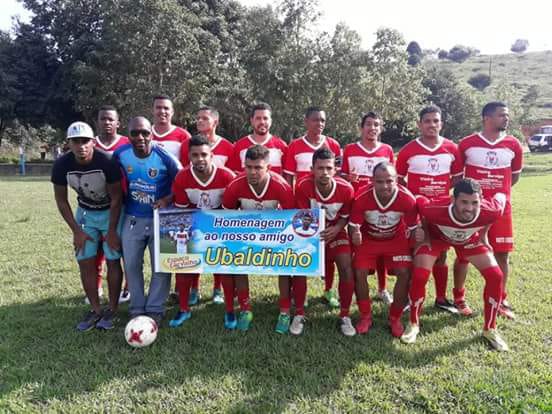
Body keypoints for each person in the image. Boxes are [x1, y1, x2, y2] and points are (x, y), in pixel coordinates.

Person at [402, 179, 509, 351]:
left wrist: (484, 235)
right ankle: (413, 323)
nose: (469, 208)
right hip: (437, 239)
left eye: (475, 202)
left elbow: (501, 197)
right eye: (464, 202)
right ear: (453, 200)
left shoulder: (491, 210)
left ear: (481, 199)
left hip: (469, 241)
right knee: (420, 274)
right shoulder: (435, 209)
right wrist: (424, 233)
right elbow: (418, 200)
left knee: (496, 276)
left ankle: (490, 329)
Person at [51, 121, 124, 331]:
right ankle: (95, 309)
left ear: (93, 142)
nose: (81, 146)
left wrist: (111, 232)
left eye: (85, 141)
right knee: (85, 259)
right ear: (69, 144)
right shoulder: (61, 165)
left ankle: (112, 308)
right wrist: (76, 231)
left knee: (112, 259)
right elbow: (61, 201)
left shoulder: (106, 161)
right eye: (76, 142)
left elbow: (117, 198)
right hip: (85, 213)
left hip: (110, 212)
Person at [455, 102, 524, 319]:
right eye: (502, 115)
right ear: (487, 117)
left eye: (507, 115)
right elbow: (457, 178)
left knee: (502, 254)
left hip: (501, 210)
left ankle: (501, 298)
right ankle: (459, 297)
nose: (506, 118)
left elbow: (514, 177)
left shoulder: (514, 144)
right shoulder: (467, 144)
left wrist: (498, 195)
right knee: (464, 255)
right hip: (471, 210)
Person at [113, 116, 181, 327]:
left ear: (151, 134)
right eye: (135, 133)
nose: (140, 137)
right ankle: (137, 308)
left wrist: (167, 199)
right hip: (132, 218)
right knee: (132, 265)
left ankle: (155, 309)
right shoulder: (120, 155)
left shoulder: (163, 155)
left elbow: (182, 181)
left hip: (162, 219)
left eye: (145, 133)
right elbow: (113, 182)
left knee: (161, 266)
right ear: (128, 135)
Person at [396, 105, 463, 313]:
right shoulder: (408, 150)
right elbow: (398, 181)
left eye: (436, 121)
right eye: (427, 121)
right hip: (416, 211)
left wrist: (440, 195)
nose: (432, 125)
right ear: (419, 124)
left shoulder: (452, 149)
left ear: (441, 124)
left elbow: (458, 179)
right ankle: (411, 297)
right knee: (417, 253)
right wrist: (416, 196)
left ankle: (441, 298)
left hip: (443, 211)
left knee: (442, 255)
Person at [222, 145, 295, 331]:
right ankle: (245, 308)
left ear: (268, 168)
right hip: (245, 233)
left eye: (258, 168)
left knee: (285, 263)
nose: (252, 172)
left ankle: (285, 311)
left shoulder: (282, 186)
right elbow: (225, 217)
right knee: (236, 261)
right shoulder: (235, 185)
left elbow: (291, 220)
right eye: (248, 167)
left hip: (275, 233)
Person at [169, 135, 236, 327]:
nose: (200, 159)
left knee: (224, 264)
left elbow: (232, 209)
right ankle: (183, 309)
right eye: (195, 155)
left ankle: (229, 309)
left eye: (204, 154)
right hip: (194, 223)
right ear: (189, 156)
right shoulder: (182, 177)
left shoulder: (226, 176)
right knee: (183, 263)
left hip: (220, 224)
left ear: (212, 155)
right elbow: (183, 210)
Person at [349, 161, 418, 337]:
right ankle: (365, 316)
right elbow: (353, 225)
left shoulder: (407, 199)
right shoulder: (361, 197)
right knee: (359, 271)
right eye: (380, 181)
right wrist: (354, 234)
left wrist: (415, 245)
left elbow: (412, 229)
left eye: (389, 181)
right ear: (372, 181)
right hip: (369, 239)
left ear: (397, 180)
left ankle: (394, 318)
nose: (385, 185)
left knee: (404, 272)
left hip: (396, 239)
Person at [295, 148, 356, 336]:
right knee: (299, 266)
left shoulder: (346, 189)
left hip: (335, 232)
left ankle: (345, 315)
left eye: (329, 168)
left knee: (346, 266)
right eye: (320, 168)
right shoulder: (303, 186)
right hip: (308, 233)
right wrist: (313, 234)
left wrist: (336, 229)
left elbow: (345, 217)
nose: (324, 173)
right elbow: (301, 217)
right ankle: (298, 314)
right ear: (312, 168)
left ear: (335, 169)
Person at [178, 107, 234, 304]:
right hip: (194, 212)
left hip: (220, 213)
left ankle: (218, 288)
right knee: (194, 247)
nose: (199, 121)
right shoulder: (187, 149)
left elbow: (232, 186)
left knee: (219, 250)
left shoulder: (228, 151)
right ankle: (194, 288)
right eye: (197, 118)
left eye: (205, 118)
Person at [342, 111, 395, 305]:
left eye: (376, 125)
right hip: (357, 205)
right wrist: (348, 178)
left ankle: (382, 289)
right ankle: (356, 288)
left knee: (381, 247)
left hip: (380, 207)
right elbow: (341, 175)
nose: (372, 128)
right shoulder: (349, 149)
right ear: (361, 127)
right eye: (369, 124)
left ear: (380, 129)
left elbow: (392, 178)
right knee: (355, 248)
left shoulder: (387, 150)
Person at [86, 105, 131, 305]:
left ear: (118, 123)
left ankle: (127, 288)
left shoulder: (127, 143)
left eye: (111, 119)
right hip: (96, 205)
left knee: (122, 248)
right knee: (96, 249)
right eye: (103, 119)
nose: (107, 122)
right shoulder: (89, 144)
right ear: (97, 122)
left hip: (123, 203)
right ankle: (96, 287)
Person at [283, 107, 341, 185]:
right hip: (302, 194)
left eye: (322, 121)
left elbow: (337, 175)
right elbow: (289, 176)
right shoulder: (294, 145)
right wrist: (290, 196)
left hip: (326, 195)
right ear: (306, 122)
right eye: (315, 120)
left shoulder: (334, 145)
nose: (320, 123)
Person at [227, 102, 288, 176]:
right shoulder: (239, 146)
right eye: (258, 118)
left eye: (265, 118)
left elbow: (287, 177)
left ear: (271, 121)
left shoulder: (281, 146)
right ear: (252, 121)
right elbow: (235, 175)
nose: (262, 122)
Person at [151, 95, 192, 161]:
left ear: (172, 112)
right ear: (152, 110)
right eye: (158, 107)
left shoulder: (184, 136)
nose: (162, 111)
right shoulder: (144, 134)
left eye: (166, 108)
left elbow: (187, 165)